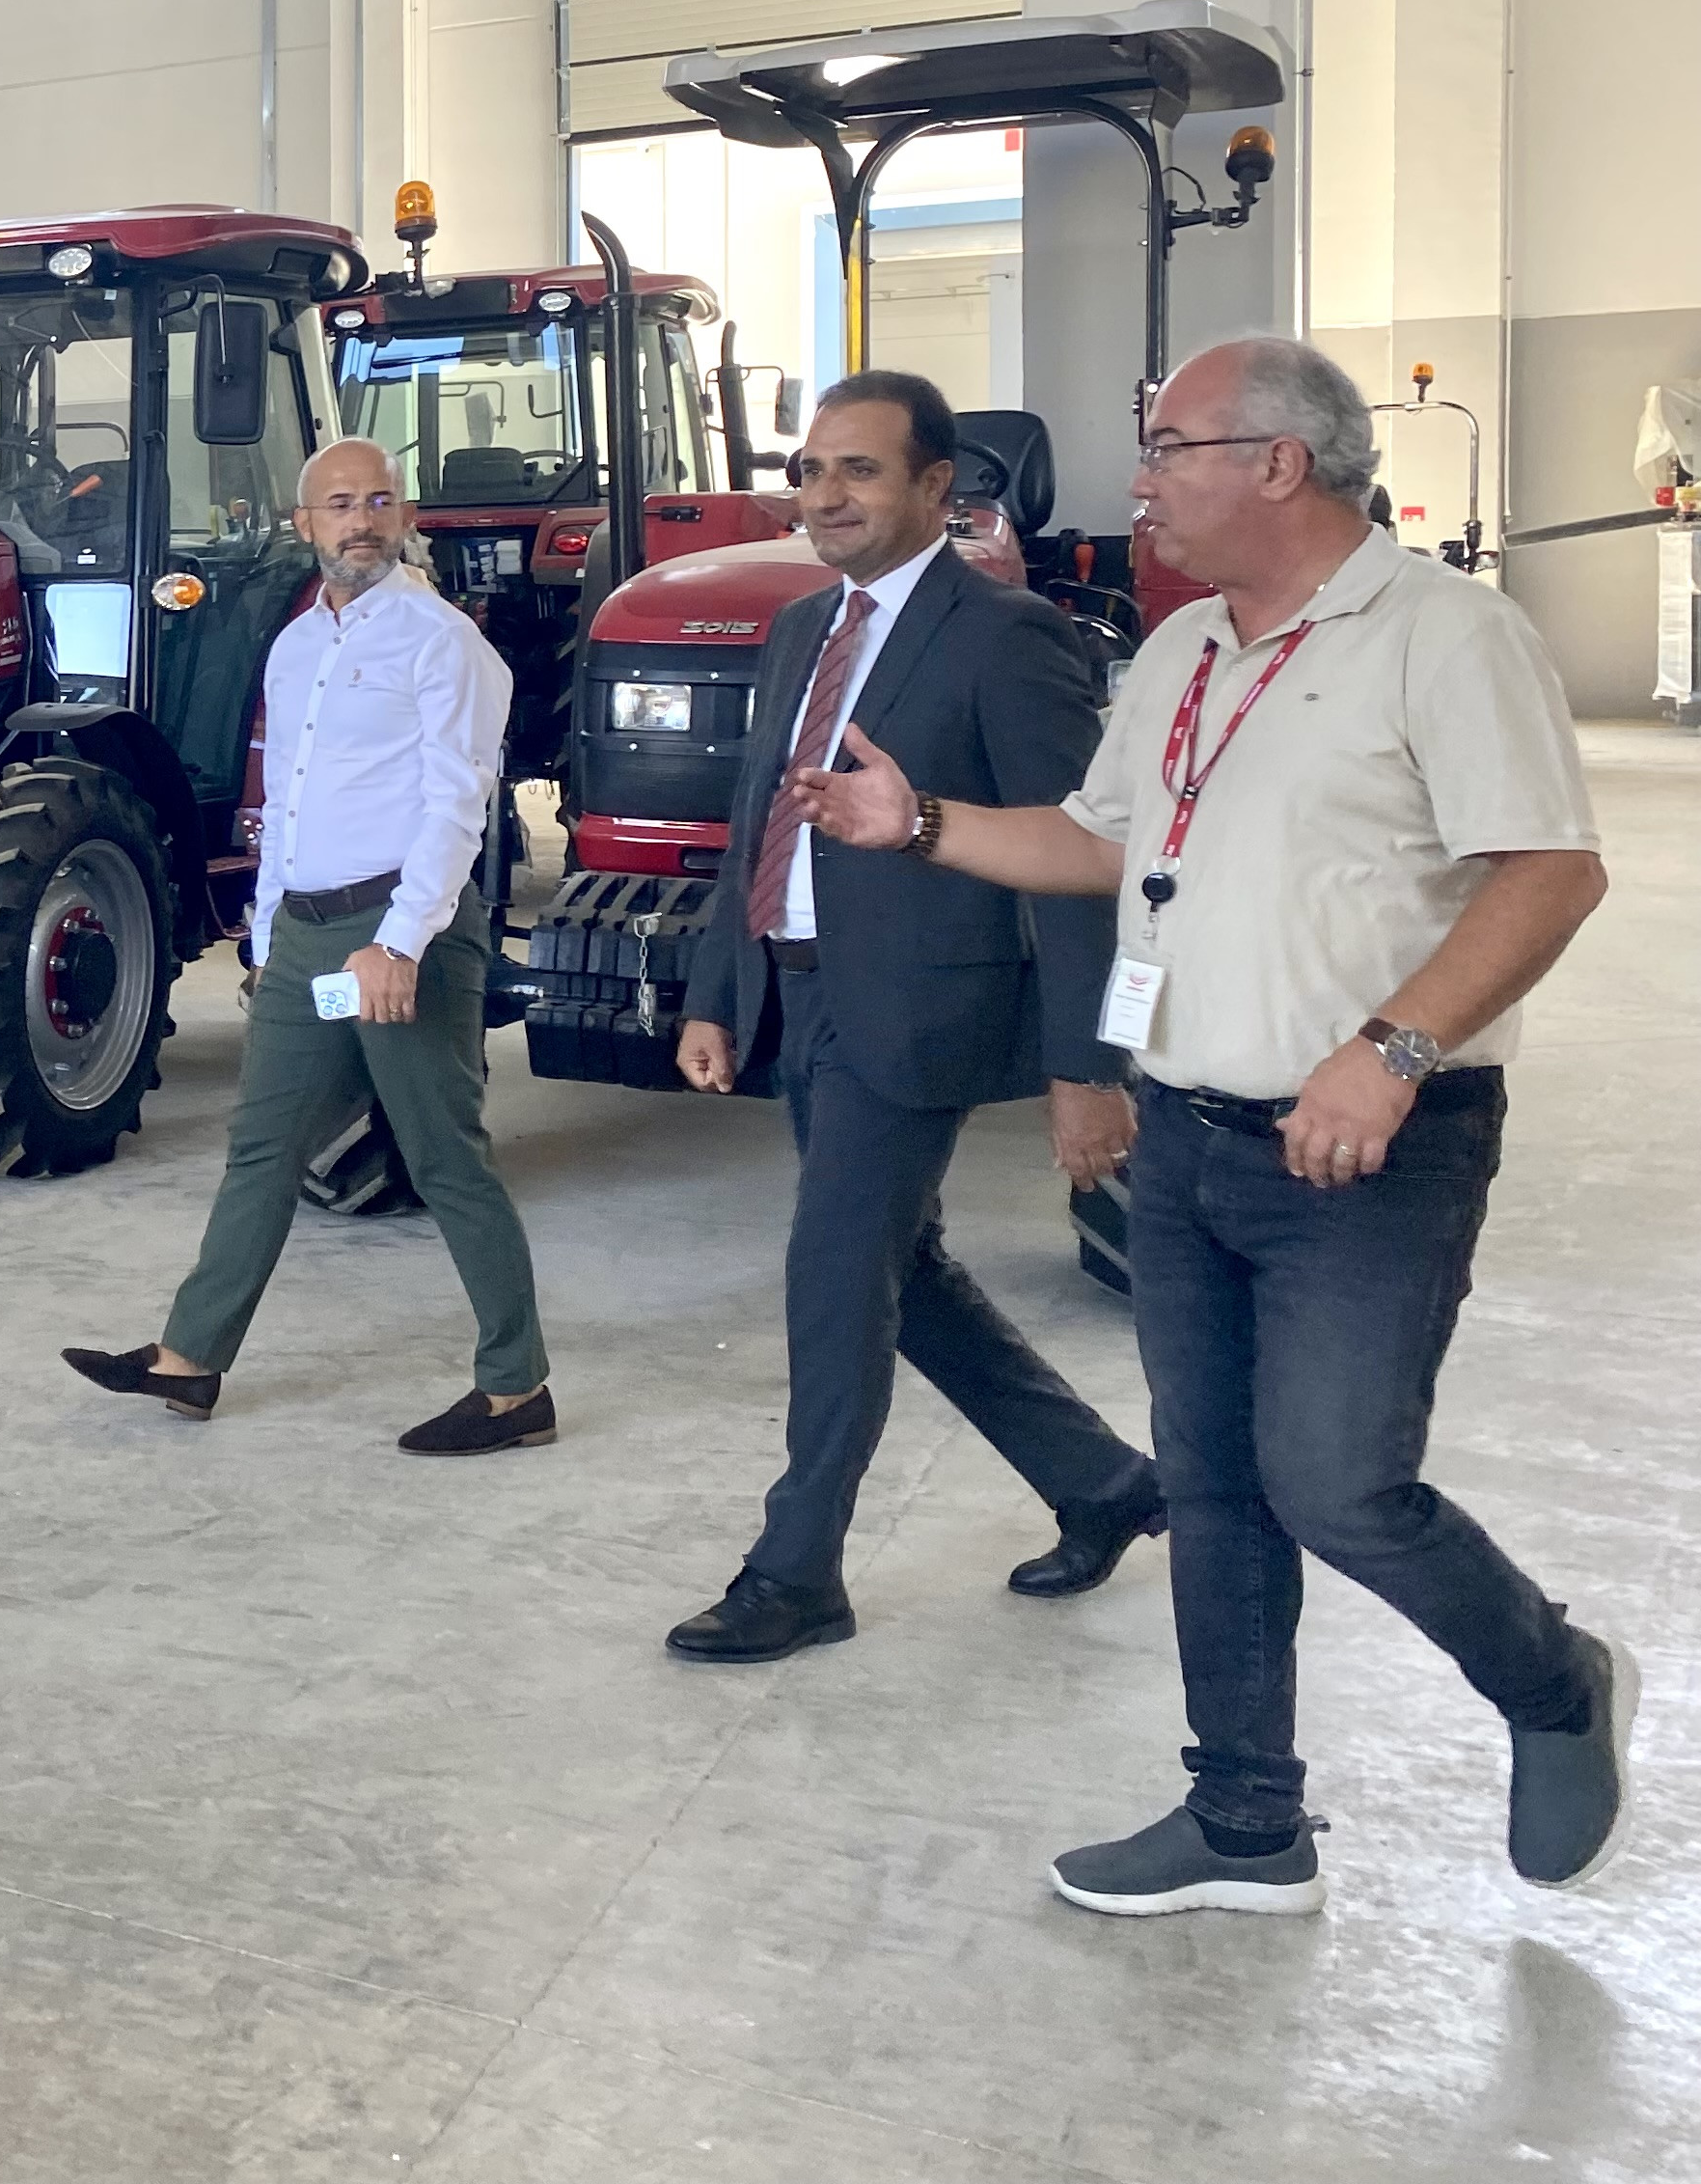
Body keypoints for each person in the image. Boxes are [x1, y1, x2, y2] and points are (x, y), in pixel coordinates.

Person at [796, 337, 1626, 1916]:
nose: (1141, 481)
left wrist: (1390, 1048)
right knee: (1214, 1484)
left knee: (1337, 1482)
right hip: (1188, 1135)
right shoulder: (1183, 649)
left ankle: (1553, 1679)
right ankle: (1245, 1821)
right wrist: (918, 823)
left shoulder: (1443, 635)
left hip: (1368, 1146)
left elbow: (1550, 869)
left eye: (1169, 446)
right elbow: (1102, 844)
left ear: (1277, 462)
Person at [664, 373, 1166, 1663]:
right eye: (811, 470)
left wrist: (1086, 1065)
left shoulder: (1006, 637)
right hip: (802, 994)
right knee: (905, 1274)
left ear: (937, 487)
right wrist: (720, 990)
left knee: (835, 1279)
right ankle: (1105, 1482)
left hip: (918, 1011)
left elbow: (1077, 859)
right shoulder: (800, 629)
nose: (825, 495)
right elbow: (758, 822)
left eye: (861, 470)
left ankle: (796, 1573)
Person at [63, 437, 553, 1453]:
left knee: (443, 1155)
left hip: (401, 935)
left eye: (378, 501)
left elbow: (457, 805)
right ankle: (191, 1358)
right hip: (309, 940)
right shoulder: (292, 650)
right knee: (264, 1146)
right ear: (305, 525)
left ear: (403, 516)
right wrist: (268, 930)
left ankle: (517, 1390)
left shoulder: (442, 642)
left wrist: (401, 943)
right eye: (339, 504)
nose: (360, 521)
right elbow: (283, 798)